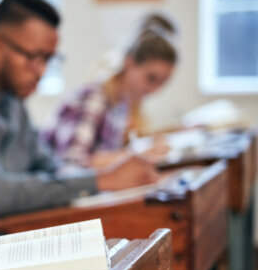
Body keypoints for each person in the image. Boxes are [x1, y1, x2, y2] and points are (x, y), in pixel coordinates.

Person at [0, 0, 159, 263]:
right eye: (34, 57)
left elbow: (48, 166)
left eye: (48, 59)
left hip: (3, 247)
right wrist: (103, 180)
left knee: (120, 255)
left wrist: (99, 179)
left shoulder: (11, 99)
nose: (41, 71)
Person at [43, 13, 177, 167]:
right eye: (151, 78)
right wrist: (137, 156)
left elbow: (109, 153)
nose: (156, 90)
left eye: (163, 82)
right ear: (129, 63)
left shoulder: (121, 103)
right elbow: (72, 163)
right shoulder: (93, 97)